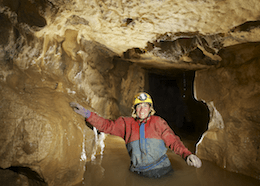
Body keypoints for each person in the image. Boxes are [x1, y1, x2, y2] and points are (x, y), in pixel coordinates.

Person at [70, 92, 202, 178]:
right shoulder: (126, 124)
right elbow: (106, 126)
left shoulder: (158, 122)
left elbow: (173, 141)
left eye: (145, 106)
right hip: (138, 173)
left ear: (150, 108)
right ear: (134, 109)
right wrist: (87, 114)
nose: (142, 109)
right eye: (139, 106)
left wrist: (187, 154)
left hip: (162, 172)